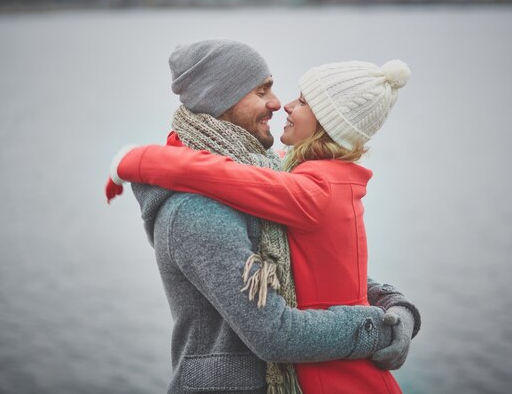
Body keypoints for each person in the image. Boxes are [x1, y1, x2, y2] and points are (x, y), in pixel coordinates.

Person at [106, 40, 421, 394]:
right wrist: (376, 328)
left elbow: (324, 269)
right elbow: (275, 333)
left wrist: (395, 307)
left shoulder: (273, 177)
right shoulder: (196, 209)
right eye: (261, 91)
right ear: (220, 101)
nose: (277, 102)